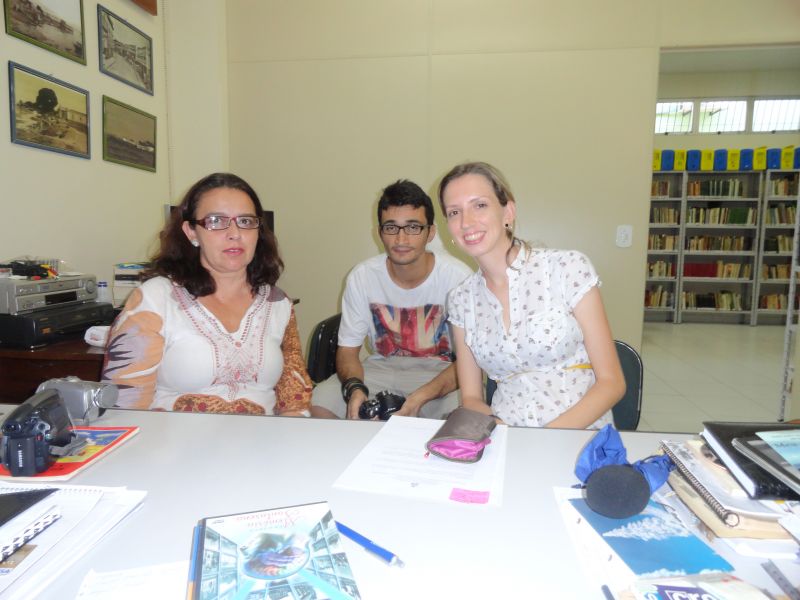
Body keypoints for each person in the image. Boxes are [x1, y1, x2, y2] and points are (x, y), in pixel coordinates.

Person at [102, 172, 312, 416]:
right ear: (191, 232)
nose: (234, 233)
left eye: (245, 221)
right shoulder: (156, 298)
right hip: (175, 447)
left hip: (262, 446)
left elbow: (295, 400)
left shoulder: (277, 303)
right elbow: (123, 408)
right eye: (216, 221)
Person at [438, 162, 625, 428]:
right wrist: (500, 431)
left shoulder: (566, 268)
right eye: (454, 212)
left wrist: (541, 440)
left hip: (580, 436)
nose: (466, 222)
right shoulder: (460, 299)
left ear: (508, 212)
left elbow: (612, 383)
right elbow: (470, 397)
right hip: (508, 435)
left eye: (479, 205)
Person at [311, 179, 472, 419]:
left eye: (413, 227)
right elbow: (347, 352)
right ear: (380, 233)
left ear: (430, 233)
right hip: (379, 369)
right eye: (391, 228)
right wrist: (355, 388)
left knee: (462, 419)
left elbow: (470, 363)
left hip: (441, 373)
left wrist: (420, 397)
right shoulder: (362, 277)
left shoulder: (459, 278)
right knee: (317, 405)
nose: (401, 239)